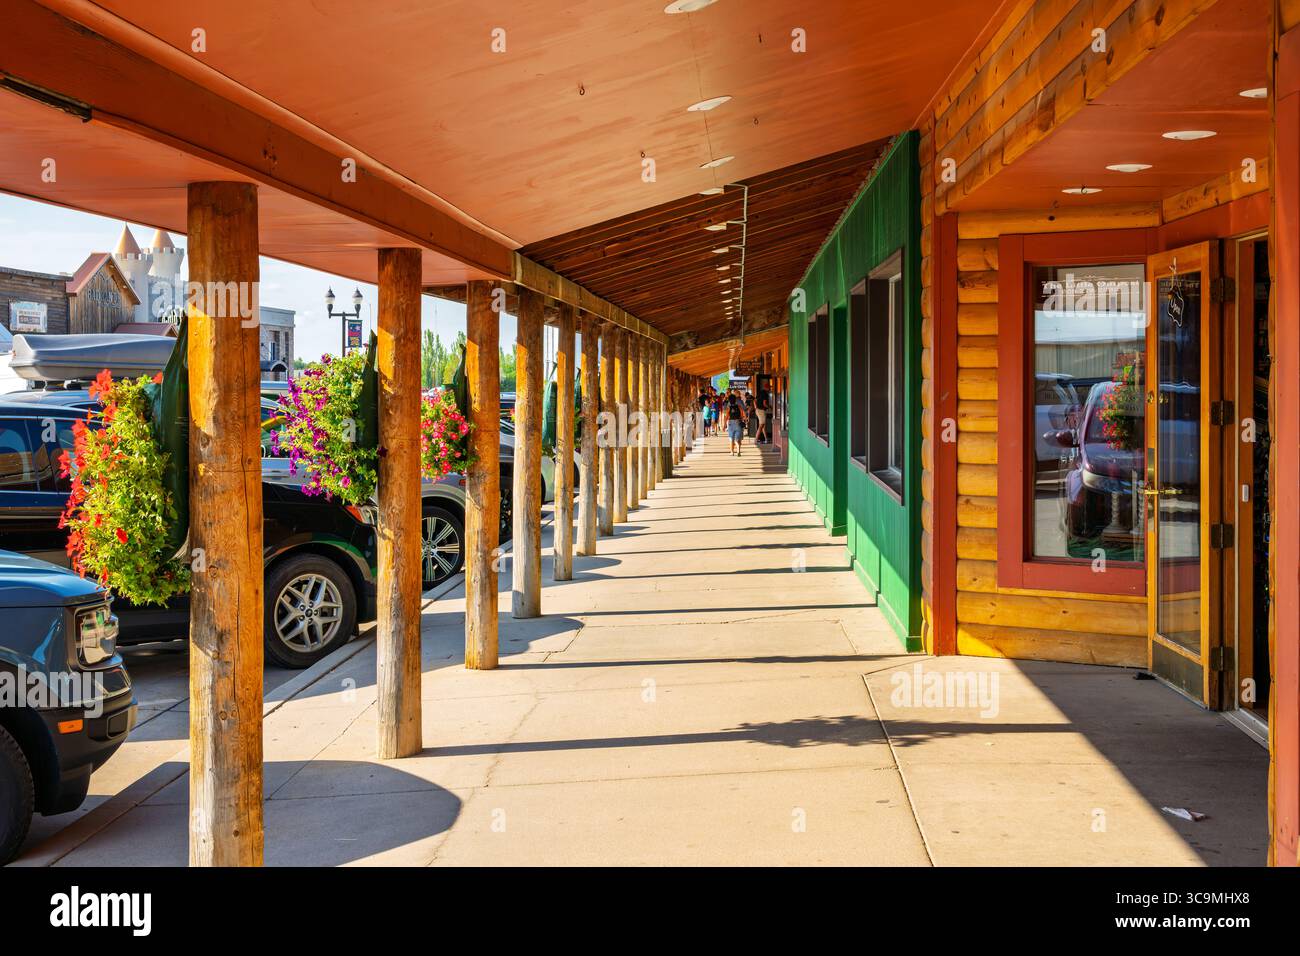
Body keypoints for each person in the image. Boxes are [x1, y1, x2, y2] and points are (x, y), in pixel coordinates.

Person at [725, 389, 747, 456]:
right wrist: (744, 419)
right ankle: (738, 451)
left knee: (731, 438)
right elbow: (744, 415)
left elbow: (726, 417)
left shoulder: (729, 407)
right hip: (738, 422)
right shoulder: (739, 406)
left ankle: (732, 452)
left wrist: (724, 425)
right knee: (738, 438)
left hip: (731, 423)